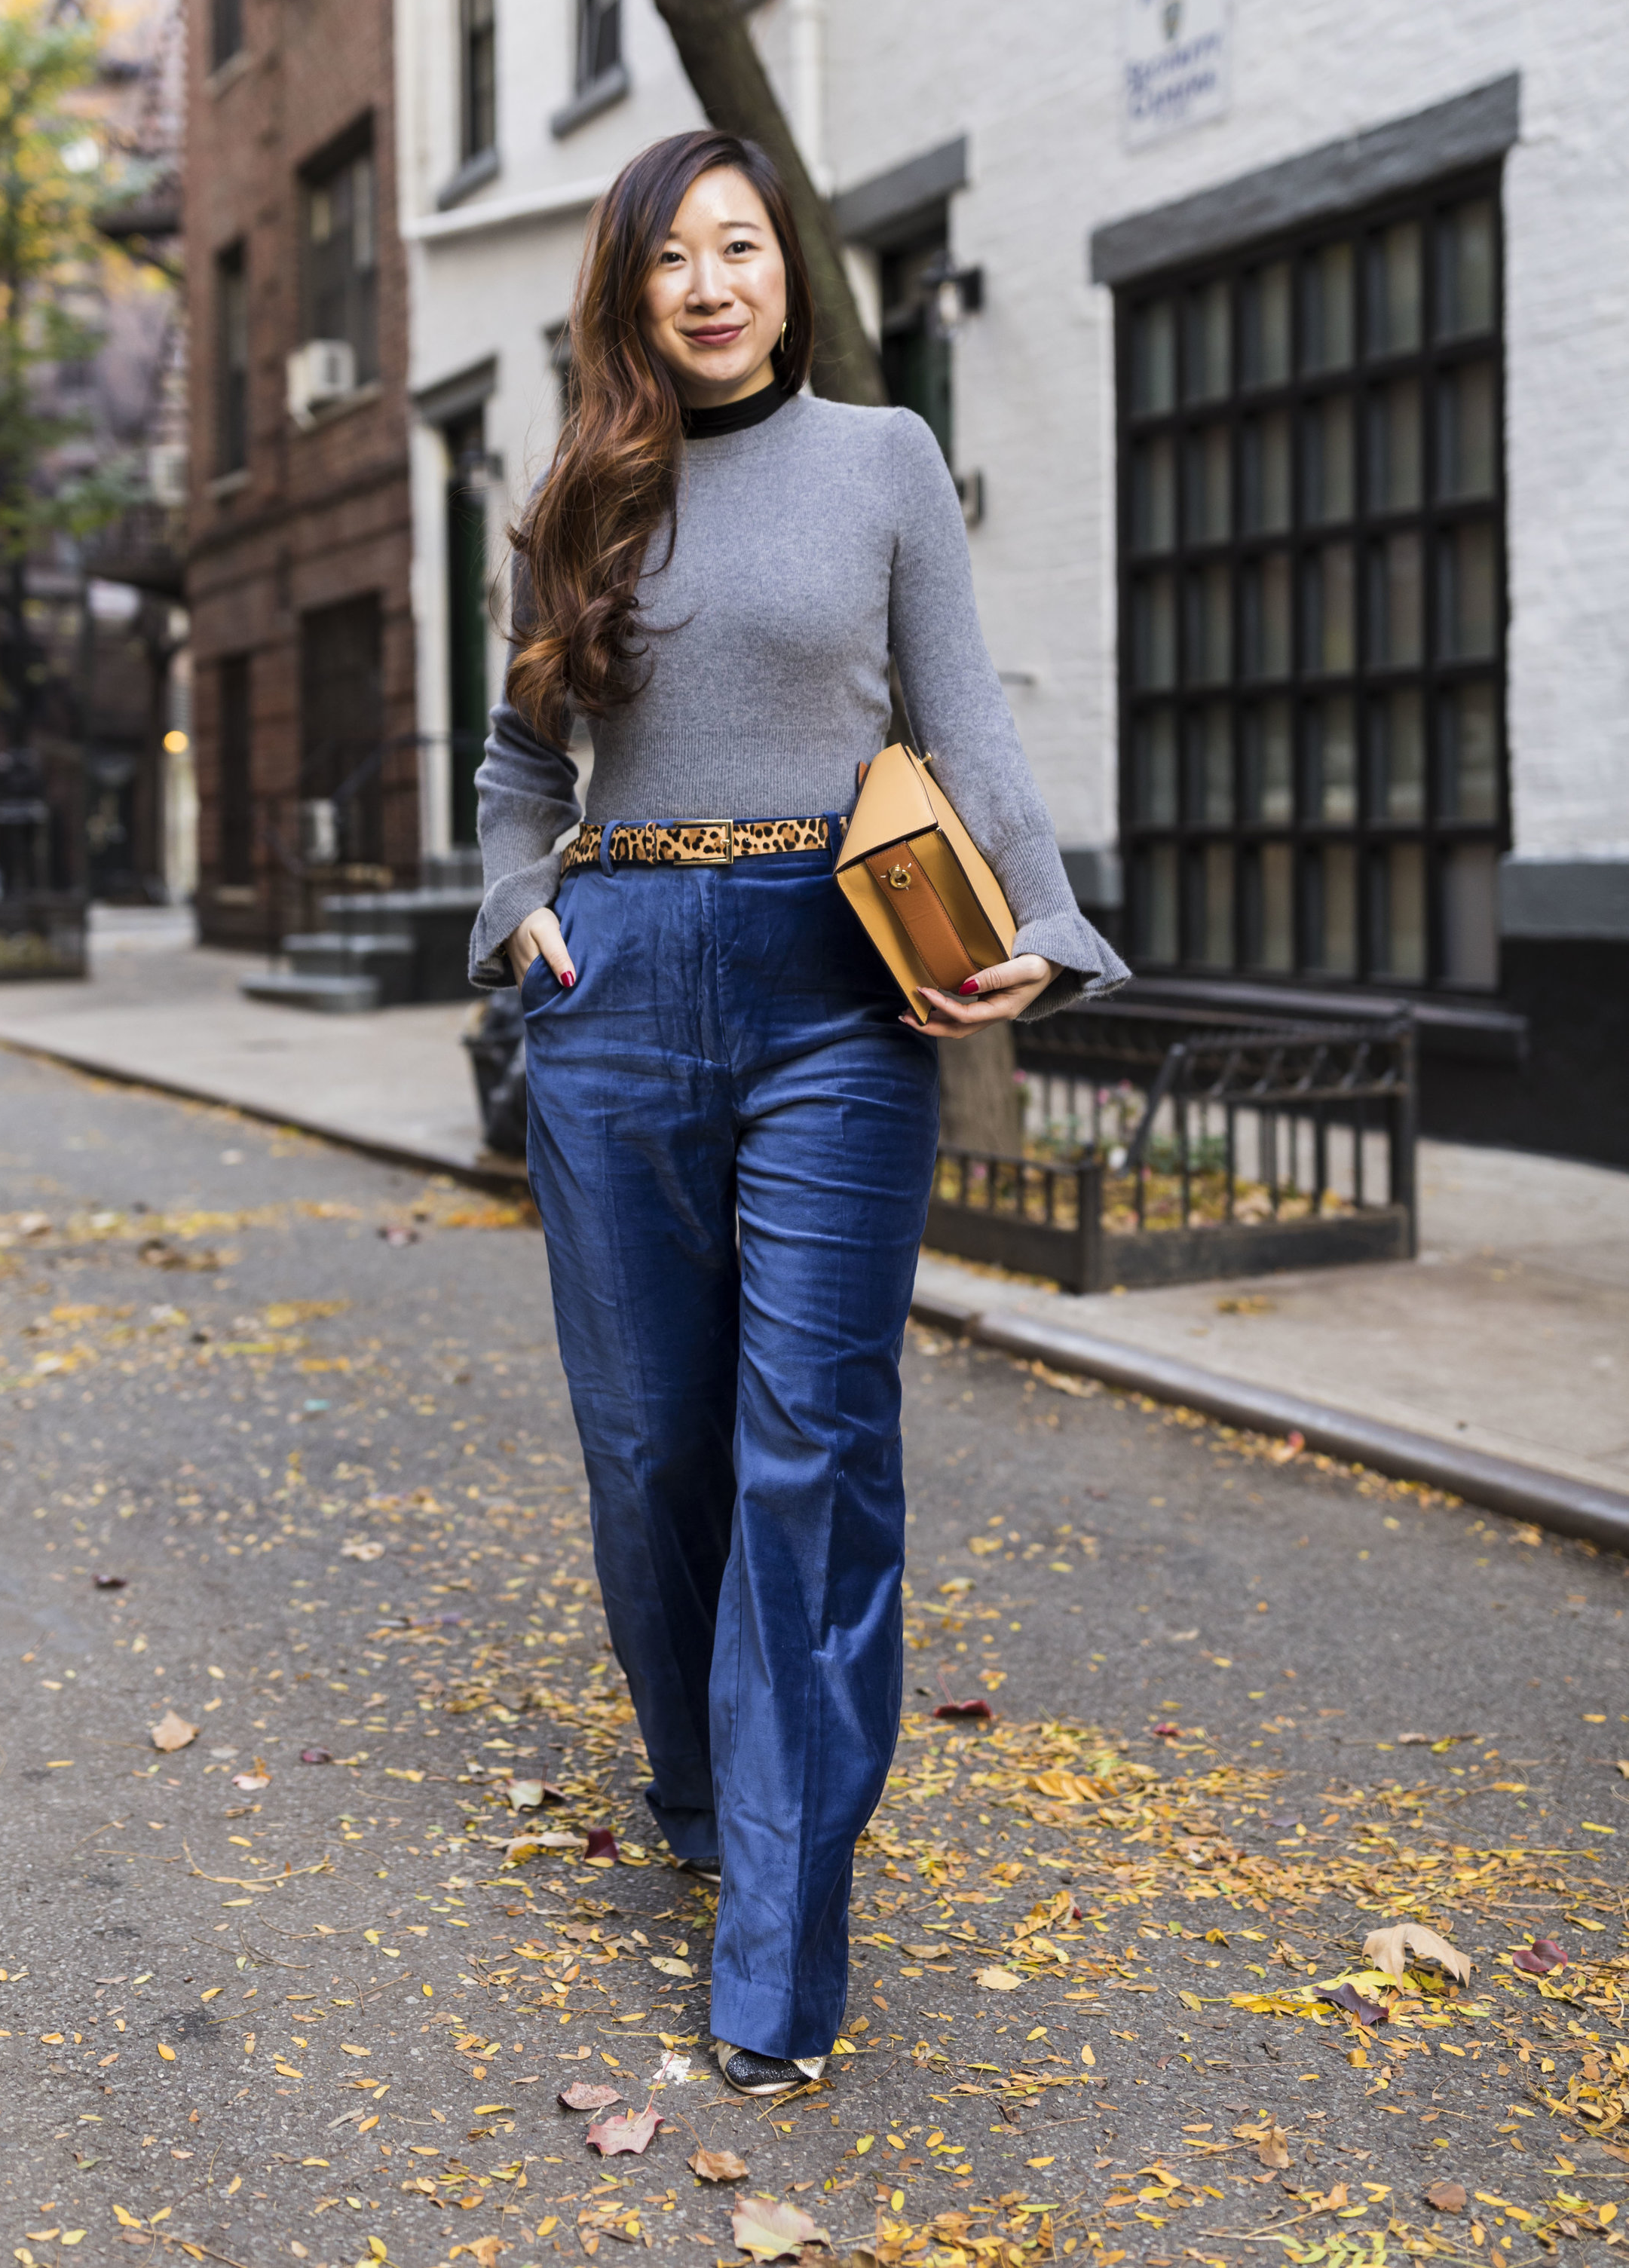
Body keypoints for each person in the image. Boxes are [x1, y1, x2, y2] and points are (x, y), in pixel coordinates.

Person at [467, 131, 1125, 2098]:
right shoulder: (576, 498)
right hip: (622, 975)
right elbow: (515, 761)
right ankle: (697, 1775)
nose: (709, 279)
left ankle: (778, 1913)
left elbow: (965, 718)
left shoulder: (884, 459)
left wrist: (1044, 916)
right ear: (627, 293)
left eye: (738, 243)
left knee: (807, 1441)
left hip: (837, 981)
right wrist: (522, 920)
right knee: (648, 1441)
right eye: (669, 255)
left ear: (784, 272)